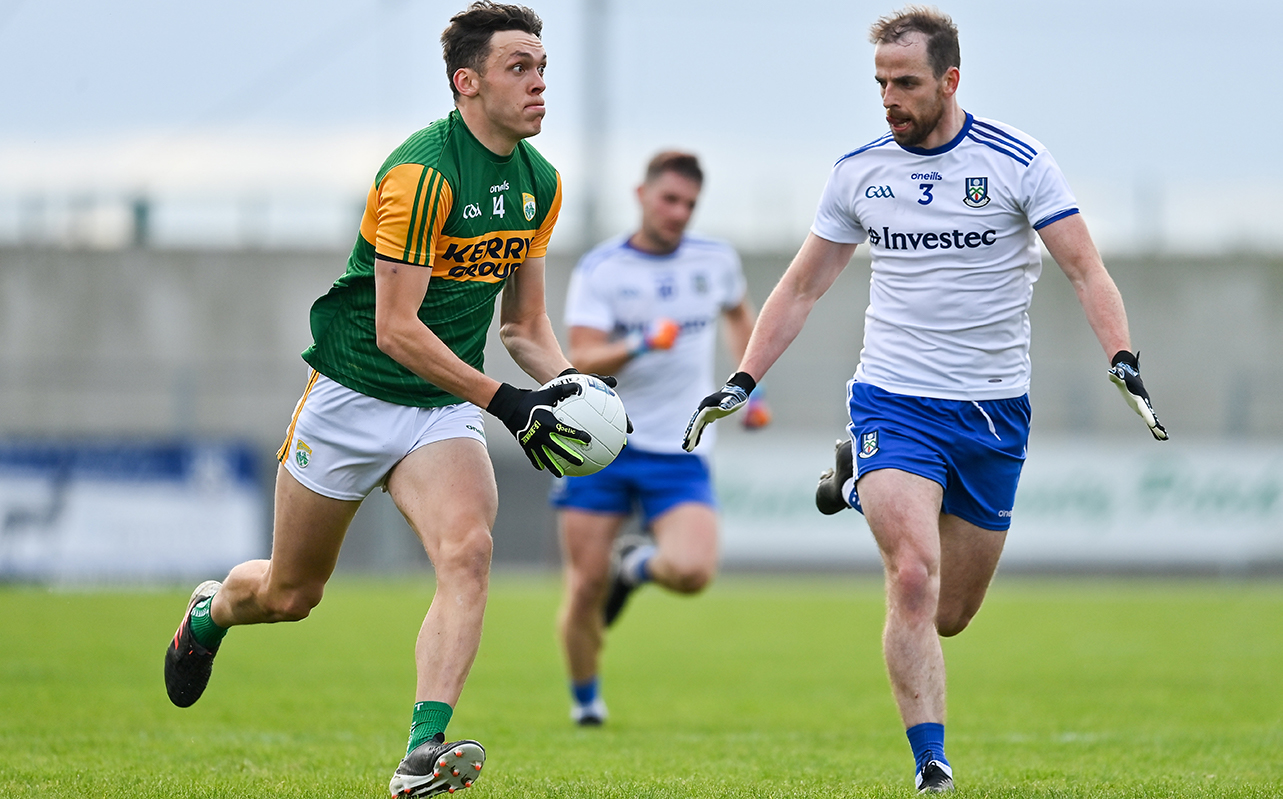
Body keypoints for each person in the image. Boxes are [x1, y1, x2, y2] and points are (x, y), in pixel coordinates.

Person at [683, 6, 1166, 794]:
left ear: (949, 81)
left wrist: (1121, 356)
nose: (888, 98)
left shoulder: (1017, 161)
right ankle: (930, 764)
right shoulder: (859, 171)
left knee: (948, 613)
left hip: (991, 412)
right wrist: (743, 377)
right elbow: (803, 283)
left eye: (904, 83)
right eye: (879, 83)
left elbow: (1084, 268)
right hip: (893, 399)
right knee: (911, 576)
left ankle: (852, 476)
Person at [161, 4, 595, 797]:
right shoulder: (420, 174)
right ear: (467, 83)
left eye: (542, 67)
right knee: (291, 594)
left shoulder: (540, 182)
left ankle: (420, 752)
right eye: (518, 68)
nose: (539, 84)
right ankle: (209, 613)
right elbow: (396, 330)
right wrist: (507, 401)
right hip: (353, 396)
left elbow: (524, 322)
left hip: (442, 408)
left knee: (468, 550)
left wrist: (569, 388)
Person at [551, 151, 769, 725]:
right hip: (599, 444)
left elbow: (741, 318)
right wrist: (644, 341)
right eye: (669, 199)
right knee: (584, 585)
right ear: (641, 195)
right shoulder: (603, 269)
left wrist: (751, 389)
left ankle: (637, 567)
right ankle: (586, 703)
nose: (679, 213)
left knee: (694, 571)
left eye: (690, 204)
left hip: (681, 445)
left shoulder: (715, 260)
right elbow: (582, 355)